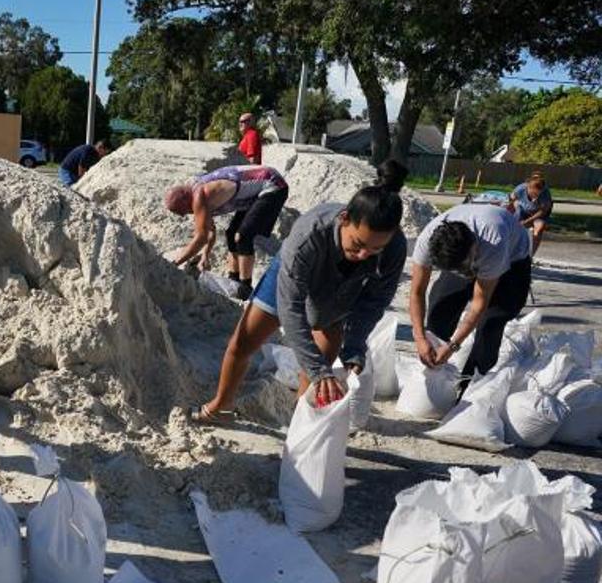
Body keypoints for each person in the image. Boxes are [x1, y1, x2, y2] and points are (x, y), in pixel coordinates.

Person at [196, 162, 409, 421]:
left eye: (375, 249)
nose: (363, 254)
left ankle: (300, 422)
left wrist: (354, 344)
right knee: (242, 344)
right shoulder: (309, 233)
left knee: (323, 359)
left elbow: (375, 300)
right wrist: (319, 369)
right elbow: (290, 307)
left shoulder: (394, 246)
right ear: (344, 219)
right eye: (358, 244)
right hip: (291, 276)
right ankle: (222, 405)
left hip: (339, 285)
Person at [408, 202, 532, 379]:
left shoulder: (493, 243)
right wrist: (420, 338)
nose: (466, 274)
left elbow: (479, 303)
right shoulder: (427, 242)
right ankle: (433, 365)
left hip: (514, 260)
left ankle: (473, 381)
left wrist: (453, 346)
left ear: (473, 246)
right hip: (469, 252)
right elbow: (417, 292)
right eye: (457, 269)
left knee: (491, 321)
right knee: (441, 303)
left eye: (465, 267)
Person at [164, 164, 289, 300]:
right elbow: (209, 231)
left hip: (273, 185)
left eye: (181, 210)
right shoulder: (196, 191)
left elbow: (201, 237)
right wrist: (205, 255)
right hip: (255, 191)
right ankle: (234, 281)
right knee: (231, 234)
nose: (184, 215)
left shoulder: (200, 195)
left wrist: (175, 263)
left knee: (243, 236)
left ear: (185, 198)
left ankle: (245, 287)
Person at [508, 172, 553, 254]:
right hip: (523, 210)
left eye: (538, 194)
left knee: (539, 229)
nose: (535, 197)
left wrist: (528, 221)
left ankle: (531, 255)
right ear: (528, 188)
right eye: (534, 194)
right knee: (514, 227)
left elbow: (543, 211)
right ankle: (511, 251)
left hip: (539, 213)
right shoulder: (520, 189)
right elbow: (511, 200)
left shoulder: (545, 193)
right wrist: (510, 216)